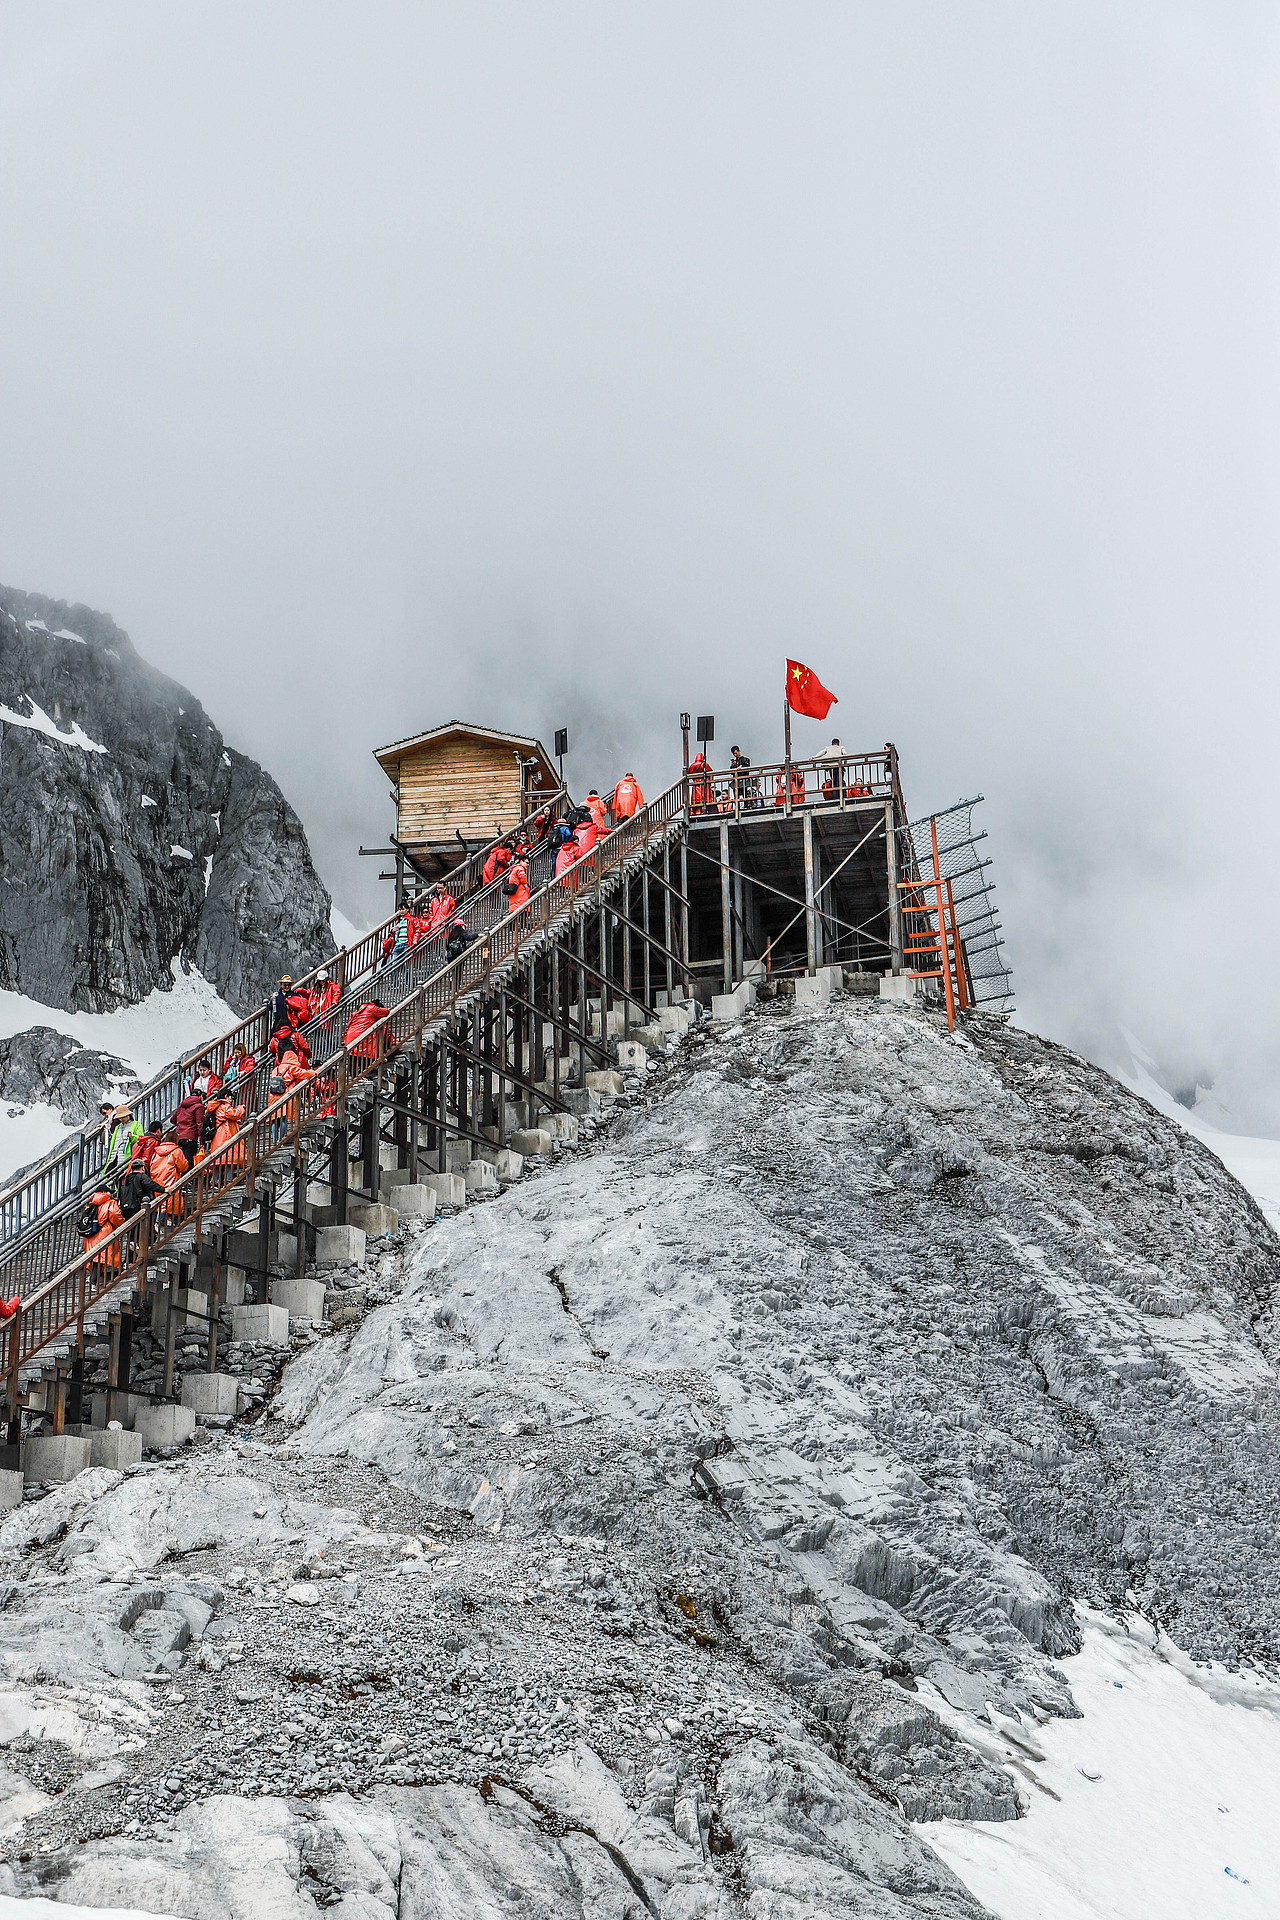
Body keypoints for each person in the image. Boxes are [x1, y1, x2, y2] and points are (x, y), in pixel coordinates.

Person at [173, 1086, 205, 1161]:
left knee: (181, 1162)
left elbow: (173, 1120)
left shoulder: (181, 1105)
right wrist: (202, 1141)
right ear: (200, 1096)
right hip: (190, 1137)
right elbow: (199, 1124)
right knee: (189, 1163)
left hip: (179, 1137)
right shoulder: (199, 1107)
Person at [819, 737, 844, 802]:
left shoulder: (828, 748)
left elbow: (820, 753)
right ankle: (841, 795)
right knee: (840, 781)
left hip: (831, 766)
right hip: (838, 766)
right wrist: (844, 761)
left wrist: (813, 757)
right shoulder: (841, 747)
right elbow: (845, 754)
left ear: (832, 744)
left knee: (834, 781)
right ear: (838, 743)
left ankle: (835, 796)